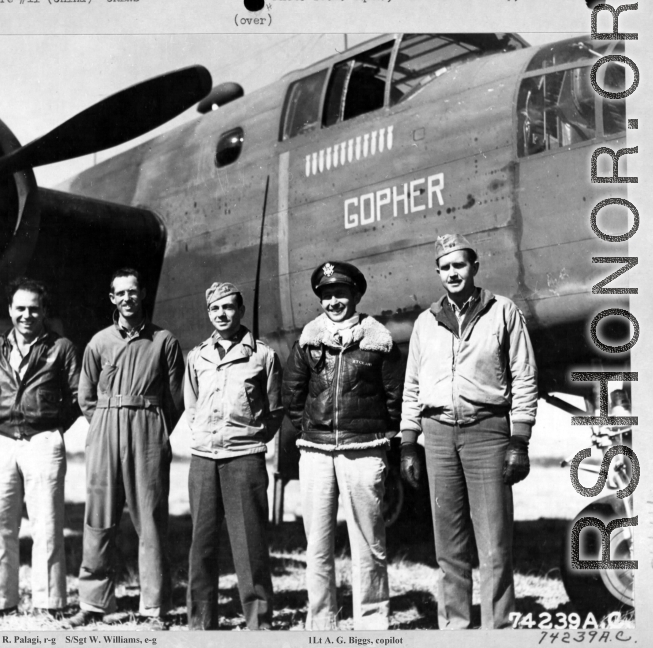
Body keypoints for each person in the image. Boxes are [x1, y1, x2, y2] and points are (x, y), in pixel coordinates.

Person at [399, 233, 538, 629]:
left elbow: (525, 377)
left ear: (474, 267)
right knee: (449, 544)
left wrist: (519, 439)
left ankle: (499, 629)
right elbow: (412, 385)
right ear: (438, 273)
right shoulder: (426, 322)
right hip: (437, 435)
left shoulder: (503, 311)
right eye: (445, 267)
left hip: (487, 432)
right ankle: (454, 629)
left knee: (494, 543)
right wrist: (409, 443)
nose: (452, 273)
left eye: (459, 265)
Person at [282, 261, 403, 630]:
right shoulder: (308, 341)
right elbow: (291, 393)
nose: (334, 302)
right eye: (327, 295)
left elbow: (395, 397)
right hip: (316, 454)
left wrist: (371, 433)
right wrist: (314, 429)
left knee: (368, 541)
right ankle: (320, 623)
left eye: (341, 294)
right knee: (317, 545)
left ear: (356, 295)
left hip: (364, 452)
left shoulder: (378, 342)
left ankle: (371, 622)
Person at [67, 268, 184, 630]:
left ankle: (153, 609)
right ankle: (93, 603)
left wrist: (154, 428)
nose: (127, 298)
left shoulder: (164, 340)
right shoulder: (99, 342)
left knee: (149, 520)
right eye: (120, 293)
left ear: (142, 294)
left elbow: (176, 398)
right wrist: (106, 422)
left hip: (147, 429)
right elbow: (85, 396)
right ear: (112, 299)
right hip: (104, 429)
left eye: (133, 291)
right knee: (98, 517)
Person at [0, 278, 81, 621]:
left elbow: (77, 396)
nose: (27, 315)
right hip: (2, 440)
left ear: (44, 311)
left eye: (34, 308)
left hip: (43, 441)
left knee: (47, 524)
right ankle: (0, 601)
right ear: (10, 310)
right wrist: (4, 419)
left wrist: (51, 426)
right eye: (20, 308)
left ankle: (49, 602)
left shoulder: (60, 348)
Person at [183, 282, 284, 630]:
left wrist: (250, 438)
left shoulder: (263, 355)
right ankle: (200, 624)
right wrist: (204, 438)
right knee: (202, 545)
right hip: (203, 460)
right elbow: (191, 405)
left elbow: (274, 410)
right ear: (208, 313)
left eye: (228, 307)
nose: (222, 314)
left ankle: (259, 623)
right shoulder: (197, 356)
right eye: (215, 308)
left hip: (244, 458)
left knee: (250, 544)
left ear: (241, 310)